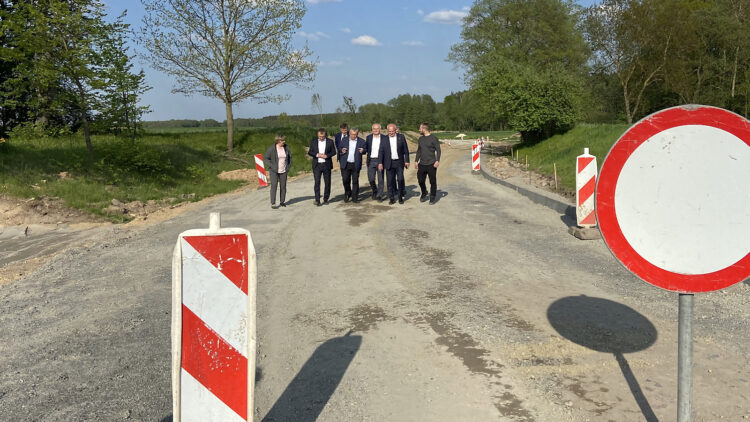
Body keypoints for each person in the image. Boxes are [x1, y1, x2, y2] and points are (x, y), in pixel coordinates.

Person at [378, 123, 410, 204]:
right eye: (389, 131)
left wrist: (407, 161)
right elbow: (381, 151)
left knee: (400, 179)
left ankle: (400, 196)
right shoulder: (384, 139)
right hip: (389, 163)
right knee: (390, 182)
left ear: (395, 130)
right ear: (387, 131)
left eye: (392, 131)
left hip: (399, 162)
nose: (391, 133)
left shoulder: (401, 137)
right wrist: (380, 163)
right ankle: (391, 198)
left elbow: (406, 150)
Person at [336, 127, 366, 202]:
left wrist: (363, 151)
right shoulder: (344, 140)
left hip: (356, 164)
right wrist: (342, 150)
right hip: (346, 164)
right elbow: (339, 148)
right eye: (352, 134)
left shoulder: (361, 141)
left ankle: (355, 197)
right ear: (349, 134)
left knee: (355, 181)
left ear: (357, 134)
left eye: (355, 134)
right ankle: (348, 192)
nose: (354, 136)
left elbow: (365, 150)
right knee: (345, 180)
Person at [415, 122, 441, 205]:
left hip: (431, 164)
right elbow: (419, 150)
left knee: (432, 181)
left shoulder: (434, 138)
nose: (419, 130)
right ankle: (424, 192)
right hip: (422, 164)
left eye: (420, 128)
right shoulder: (420, 139)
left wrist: (437, 160)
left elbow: (438, 150)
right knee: (420, 180)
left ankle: (432, 196)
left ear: (424, 129)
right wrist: (416, 161)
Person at [308, 128, 336, 206]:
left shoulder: (330, 142)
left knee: (327, 182)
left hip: (326, 164)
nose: (321, 138)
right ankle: (317, 199)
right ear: (317, 135)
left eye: (322, 136)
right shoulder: (313, 142)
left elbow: (334, 152)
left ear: (325, 135)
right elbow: (310, 152)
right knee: (317, 182)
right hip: (317, 165)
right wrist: (317, 155)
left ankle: (326, 199)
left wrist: (327, 155)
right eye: (319, 136)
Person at [264, 134, 292, 209]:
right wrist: (272, 165)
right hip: (274, 171)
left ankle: (282, 201)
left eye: (284, 140)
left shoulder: (286, 148)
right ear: (278, 141)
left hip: (283, 170)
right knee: (274, 185)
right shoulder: (272, 149)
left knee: (283, 186)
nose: (284, 141)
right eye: (282, 140)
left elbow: (290, 157)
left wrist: (288, 167)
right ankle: (273, 203)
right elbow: (266, 159)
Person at [365, 123, 386, 201]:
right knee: (371, 179)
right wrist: (362, 150)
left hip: (380, 161)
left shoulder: (384, 138)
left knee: (380, 179)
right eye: (374, 128)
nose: (375, 130)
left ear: (380, 129)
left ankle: (379, 195)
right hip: (371, 160)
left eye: (377, 128)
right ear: (372, 129)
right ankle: (374, 190)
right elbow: (366, 148)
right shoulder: (369, 137)